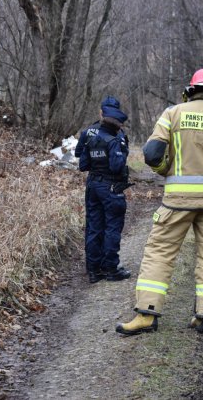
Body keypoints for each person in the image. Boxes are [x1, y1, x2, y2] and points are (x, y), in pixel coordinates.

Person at [115, 67, 203, 335]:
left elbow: (152, 153)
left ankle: (146, 314)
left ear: (190, 88)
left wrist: (166, 168)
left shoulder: (173, 113)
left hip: (177, 202)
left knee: (160, 253)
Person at [78, 96, 133, 283]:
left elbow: (82, 164)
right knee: (112, 227)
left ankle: (93, 270)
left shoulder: (89, 137)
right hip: (110, 187)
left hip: (93, 185)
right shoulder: (115, 139)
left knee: (94, 227)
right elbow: (118, 166)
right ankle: (110, 268)